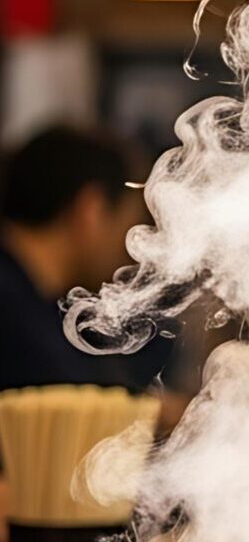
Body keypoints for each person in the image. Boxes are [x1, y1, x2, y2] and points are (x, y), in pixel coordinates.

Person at [0, 125, 165, 395]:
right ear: (91, 209)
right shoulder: (14, 315)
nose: (135, 248)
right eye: (132, 223)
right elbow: (66, 394)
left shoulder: (37, 301)